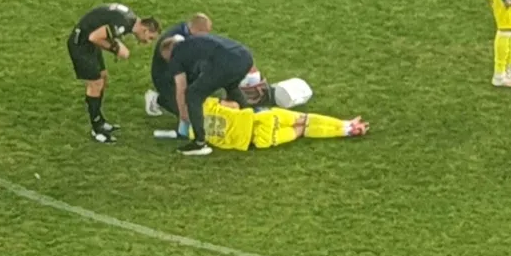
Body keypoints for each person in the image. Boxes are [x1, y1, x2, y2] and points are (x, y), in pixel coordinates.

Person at [68, 3, 161, 143]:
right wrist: (115, 48)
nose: (147, 42)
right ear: (145, 29)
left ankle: (100, 120)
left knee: (103, 77)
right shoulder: (124, 24)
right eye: (150, 38)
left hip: (89, 43)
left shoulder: (129, 19)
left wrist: (115, 44)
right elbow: (94, 37)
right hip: (80, 45)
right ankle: (96, 129)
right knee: (95, 84)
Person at [160, 34, 254, 156]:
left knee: (193, 94)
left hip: (225, 62)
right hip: (245, 57)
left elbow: (181, 87)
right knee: (231, 85)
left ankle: (199, 143)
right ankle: (250, 121)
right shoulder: (192, 42)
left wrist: (183, 113)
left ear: (168, 52)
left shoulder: (175, 55)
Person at [186, 96, 369, 151]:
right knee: (305, 119)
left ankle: (346, 131)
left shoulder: (194, 135)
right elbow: (234, 105)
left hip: (259, 139)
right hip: (263, 118)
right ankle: (346, 124)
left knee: (301, 131)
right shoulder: (206, 104)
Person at [145, 13, 212, 116]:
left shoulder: (187, 32)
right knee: (185, 110)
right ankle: (157, 99)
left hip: (181, 72)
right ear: (198, 30)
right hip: (165, 77)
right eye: (205, 33)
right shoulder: (176, 40)